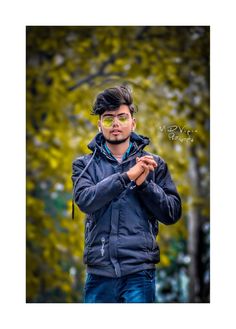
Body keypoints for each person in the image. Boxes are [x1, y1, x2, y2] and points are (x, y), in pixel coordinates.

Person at [71, 85, 182, 303]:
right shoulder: (83, 165)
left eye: (122, 117)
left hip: (139, 272)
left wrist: (144, 185)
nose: (115, 124)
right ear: (99, 124)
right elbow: (85, 200)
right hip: (99, 272)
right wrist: (127, 177)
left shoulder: (154, 164)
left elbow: (172, 213)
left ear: (133, 123)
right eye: (108, 118)